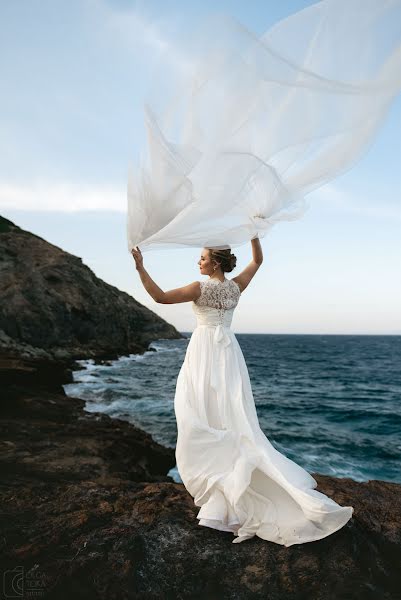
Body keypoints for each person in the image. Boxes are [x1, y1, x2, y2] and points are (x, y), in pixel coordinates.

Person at [131, 239, 354, 545]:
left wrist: (141, 267)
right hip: (228, 355)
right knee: (232, 415)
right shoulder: (236, 287)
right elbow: (258, 261)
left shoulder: (199, 288)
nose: (198, 262)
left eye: (202, 258)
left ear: (216, 263)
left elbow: (159, 297)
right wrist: (253, 234)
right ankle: (231, 480)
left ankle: (220, 485)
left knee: (198, 410)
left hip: (204, 352)